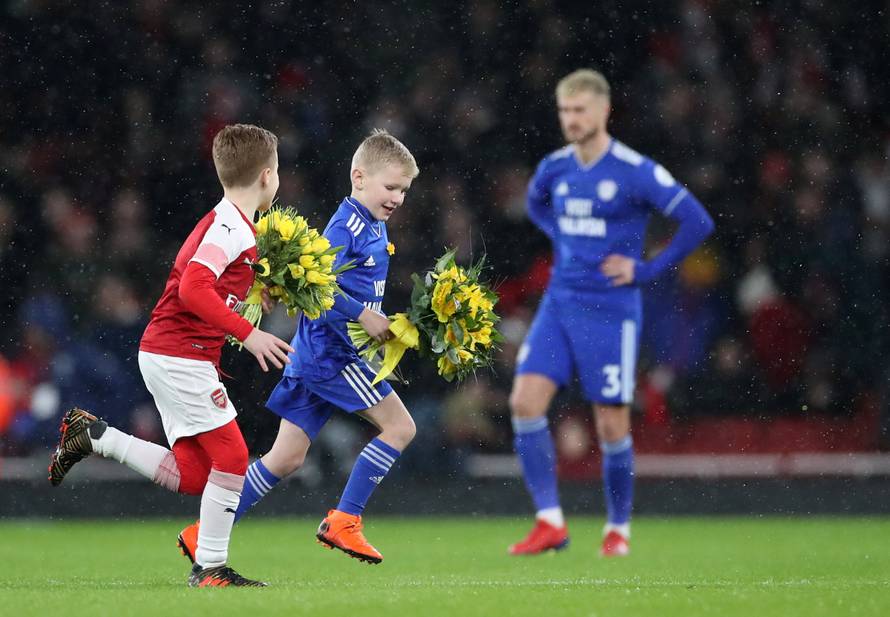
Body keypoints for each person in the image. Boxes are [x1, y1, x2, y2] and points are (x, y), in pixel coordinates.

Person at [48, 124, 294, 587]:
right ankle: (211, 569)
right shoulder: (230, 228)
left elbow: (205, 285)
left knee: (194, 474)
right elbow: (192, 287)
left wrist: (249, 298)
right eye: (277, 170)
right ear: (266, 176)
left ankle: (94, 435)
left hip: (172, 353)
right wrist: (249, 333)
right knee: (235, 456)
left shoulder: (232, 222)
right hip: (180, 354)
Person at [177, 129, 419, 566]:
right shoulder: (346, 227)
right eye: (391, 186)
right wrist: (363, 317)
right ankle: (345, 520)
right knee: (401, 429)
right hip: (333, 356)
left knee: (285, 458)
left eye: (404, 189)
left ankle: (204, 532)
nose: (398, 197)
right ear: (359, 177)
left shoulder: (372, 224)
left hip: (317, 354)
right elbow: (318, 290)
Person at [508, 70, 714, 557]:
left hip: (610, 309)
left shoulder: (634, 169)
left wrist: (647, 270)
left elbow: (696, 220)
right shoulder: (555, 168)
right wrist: (562, 241)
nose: (571, 119)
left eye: (580, 110)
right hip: (560, 301)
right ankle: (550, 522)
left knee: (610, 425)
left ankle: (617, 528)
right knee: (524, 403)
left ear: (604, 111)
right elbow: (535, 204)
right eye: (565, 111)